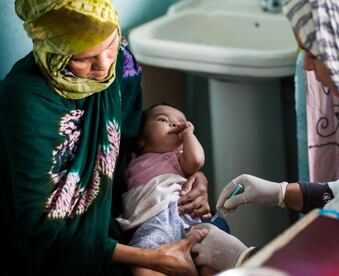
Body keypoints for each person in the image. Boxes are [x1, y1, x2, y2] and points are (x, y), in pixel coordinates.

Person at [188, 0, 339, 271]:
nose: (306, 65)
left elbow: (337, 249)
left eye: (314, 53)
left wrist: (244, 258)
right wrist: (282, 193)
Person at [0, 1, 211, 275]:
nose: (104, 66)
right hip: (63, 253)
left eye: (110, 44)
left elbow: (132, 142)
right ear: (54, 51)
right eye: (83, 59)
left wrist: (188, 175)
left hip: (125, 218)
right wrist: (151, 257)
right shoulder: (28, 102)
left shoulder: (121, 61)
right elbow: (41, 231)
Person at [116, 104, 215, 275]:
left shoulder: (177, 159)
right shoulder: (129, 160)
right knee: (143, 268)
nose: (175, 124)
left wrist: (188, 135)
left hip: (182, 219)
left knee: (211, 260)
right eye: (163, 119)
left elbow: (197, 160)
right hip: (150, 224)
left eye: (181, 122)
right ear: (140, 139)